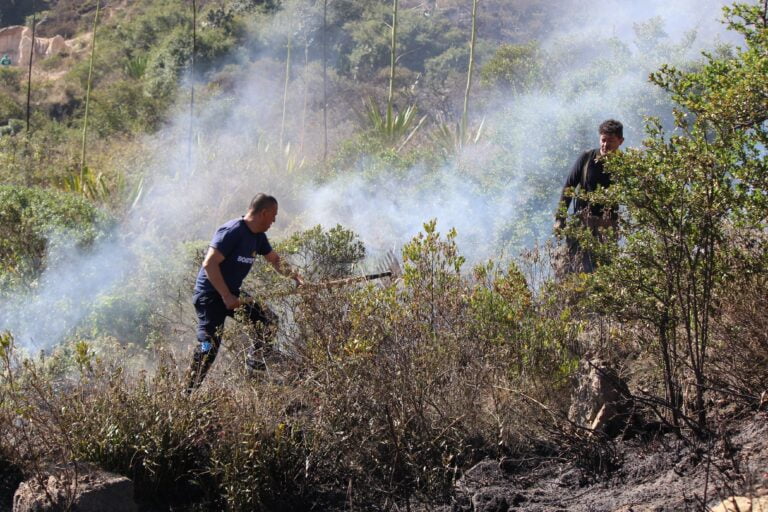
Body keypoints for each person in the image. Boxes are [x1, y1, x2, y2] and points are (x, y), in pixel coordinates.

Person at [186, 194, 302, 391]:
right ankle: (187, 394)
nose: (274, 221)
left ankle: (254, 369)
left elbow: (275, 260)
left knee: (267, 321)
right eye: (273, 216)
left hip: (231, 293)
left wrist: (296, 278)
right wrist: (226, 296)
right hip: (210, 296)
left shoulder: (258, 237)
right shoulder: (232, 231)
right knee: (209, 347)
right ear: (263, 213)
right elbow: (210, 264)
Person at [554, 119, 624, 274]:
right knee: (571, 268)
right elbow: (569, 187)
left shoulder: (625, 166)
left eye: (611, 141)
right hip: (582, 224)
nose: (605, 145)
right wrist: (560, 218)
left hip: (607, 228)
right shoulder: (587, 158)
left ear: (621, 141)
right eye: (603, 140)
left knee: (602, 272)